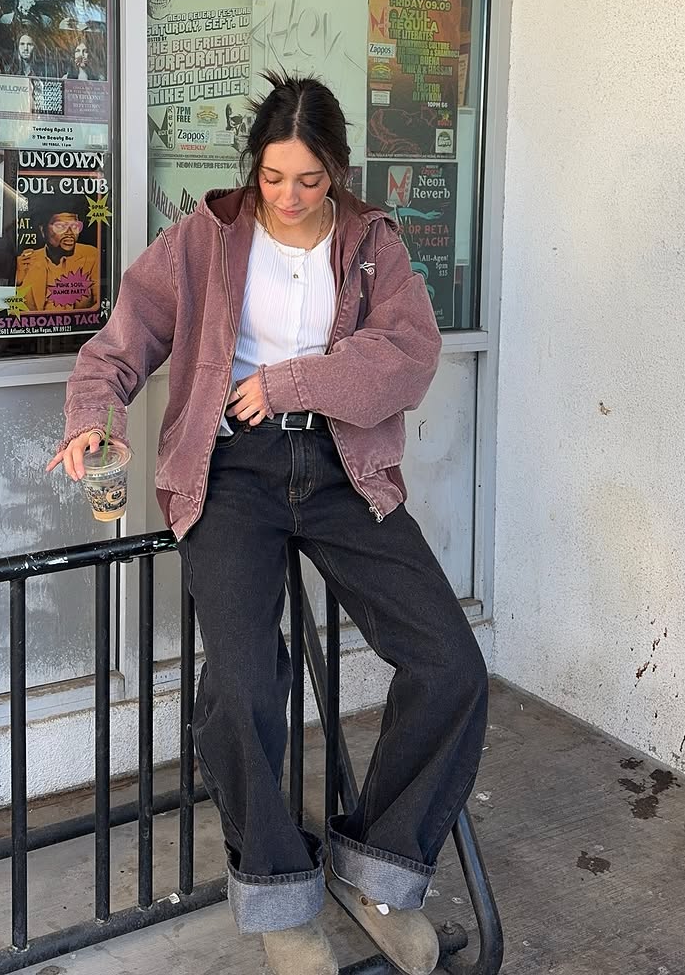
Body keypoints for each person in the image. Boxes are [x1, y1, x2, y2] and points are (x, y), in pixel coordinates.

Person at [46, 72, 488, 975]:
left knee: (450, 663)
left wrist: (289, 383)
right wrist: (92, 415)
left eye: (309, 180)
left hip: (342, 466)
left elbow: (409, 357)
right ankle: (281, 892)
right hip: (230, 471)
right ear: (254, 168)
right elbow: (125, 339)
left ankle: (379, 869)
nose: (288, 197)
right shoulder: (203, 239)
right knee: (244, 683)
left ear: (338, 173)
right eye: (273, 177)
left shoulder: (374, 246)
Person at [16, 210, 100, 312]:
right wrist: (16, 281)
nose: (70, 233)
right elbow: (7, 308)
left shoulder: (91, 255)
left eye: (75, 226)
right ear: (43, 230)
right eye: (60, 226)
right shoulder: (27, 261)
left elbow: (101, 306)